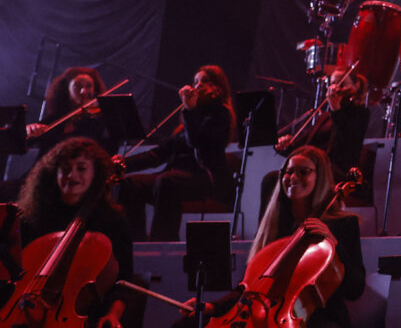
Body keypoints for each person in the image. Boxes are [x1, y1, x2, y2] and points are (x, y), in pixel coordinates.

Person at [181, 146, 365, 328]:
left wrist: (333, 242)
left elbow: (355, 289)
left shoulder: (343, 224)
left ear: (320, 177)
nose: (293, 178)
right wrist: (213, 306)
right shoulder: (275, 226)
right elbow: (251, 289)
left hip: (317, 318)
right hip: (266, 315)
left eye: (303, 172)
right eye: (288, 172)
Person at [16, 137, 134, 328]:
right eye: (65, 168)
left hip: (81, 316)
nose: (72, 175)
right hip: (24, 310)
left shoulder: (112, 222)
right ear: (53, 172)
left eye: (81, 168)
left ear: (96, 173)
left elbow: (122, 282)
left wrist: (113, 315)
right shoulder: (31, 218)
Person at [117, 65, 236, 241]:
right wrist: (123, 163)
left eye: (205, 81)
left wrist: (190, 110)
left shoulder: (221, 113)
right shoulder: (190, 116)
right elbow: (159, 154)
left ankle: (162, 241)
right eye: (195, 81)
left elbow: (198, 142)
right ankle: (136, 240)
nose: (198, 85)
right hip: (177, 176)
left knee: (167, 182)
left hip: (205, 178)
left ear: (218, 87)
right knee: (131, 184)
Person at [262, 68, 371, 214]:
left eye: (342, 84)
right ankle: (274, 229)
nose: (336, 88)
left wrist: (336, 109)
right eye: (333, 84)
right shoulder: (324, 117)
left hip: (338, 171)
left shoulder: (360, 114)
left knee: (309, 174)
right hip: (313, 167)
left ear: (356, 86)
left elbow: (347, 142)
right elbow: (304, 146)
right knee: (271, 179)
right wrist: (286, 145)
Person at [25, 66, 112, 158]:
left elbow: (108, 150)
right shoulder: (54, 119)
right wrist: (28, 132)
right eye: (77, 86)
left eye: (89, 86)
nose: (83, 91)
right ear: (66, 90)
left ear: (95, 91)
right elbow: (24, 145)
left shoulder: (100, 121)